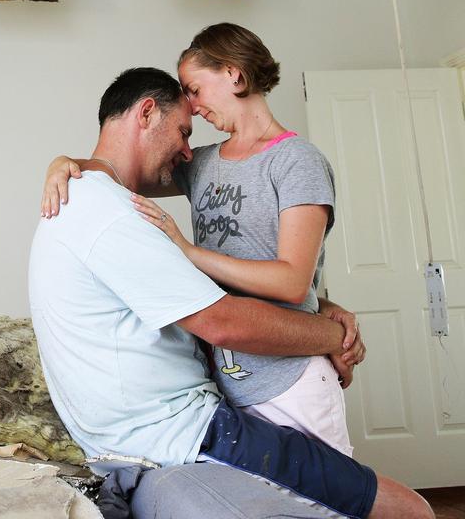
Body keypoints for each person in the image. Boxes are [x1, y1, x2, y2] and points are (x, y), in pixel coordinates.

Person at [29, 67, 432, 518]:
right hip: (190, 433)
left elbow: (247, 283)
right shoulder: (111, 213)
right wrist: (334, 336)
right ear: (146, 114)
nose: (186, 151)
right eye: (183, 131)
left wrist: (322, 306)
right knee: (407, 509)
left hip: (181, 424)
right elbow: (223, 322)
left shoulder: (85, 198)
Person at [41, 23, 354, 456]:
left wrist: (189, 253)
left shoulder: (297, 162)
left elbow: (293, 283)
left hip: (289, 380)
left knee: (329, 501)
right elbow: (124, 168)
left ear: (234, 75)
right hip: (225, 385)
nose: (191, 105)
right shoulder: (203, 164)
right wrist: (62, 162)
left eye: (194, 89)